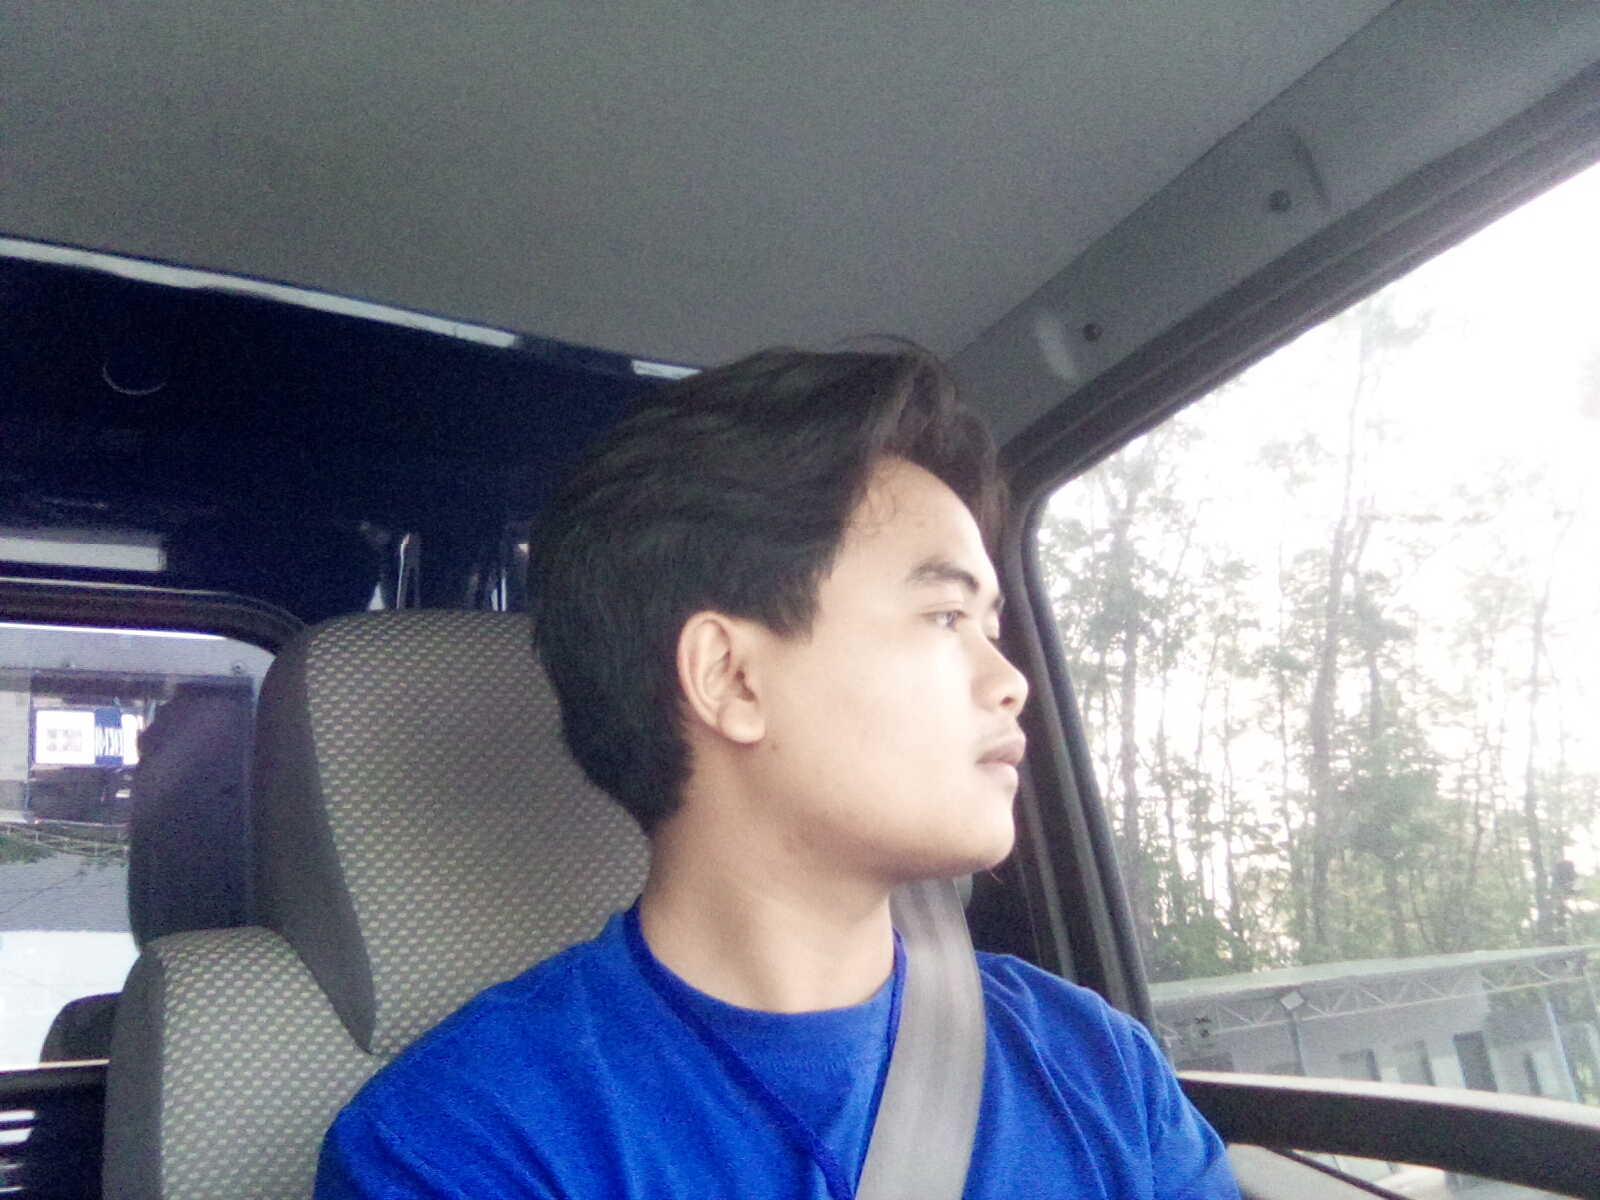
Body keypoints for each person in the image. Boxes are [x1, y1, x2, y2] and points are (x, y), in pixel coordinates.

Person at [314, 347, 1240, 1199]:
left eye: (992, 627)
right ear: (732, 678)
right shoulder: (460, 1147)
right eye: (946, 617)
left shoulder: (1097, 1068)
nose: (1010, 682)